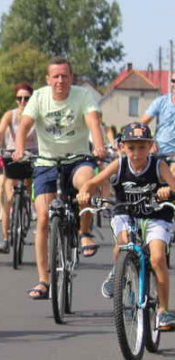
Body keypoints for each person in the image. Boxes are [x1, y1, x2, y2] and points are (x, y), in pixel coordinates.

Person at [14, 57, 107, 300]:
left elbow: (93, 122)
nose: (60, 81)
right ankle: (44, 280)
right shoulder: (40, 97)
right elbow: (24, 125)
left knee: (86, 183)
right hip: (46, 162)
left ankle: (84, 232)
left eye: (64, 76)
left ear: (71, 78)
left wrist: (98, 146)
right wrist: (19, 148)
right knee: (43, 219)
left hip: (78, 159)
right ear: (48, 79)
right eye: (55, 76)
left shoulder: (82, 96)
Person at [77, 122, 175, 324]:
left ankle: (163, 310)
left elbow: (174, 186)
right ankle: (118, 272)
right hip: (125, 211)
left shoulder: (159, 165)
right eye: (131, 148)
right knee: (122, 243)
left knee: (157, 258)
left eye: (142, 147)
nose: (136, 153)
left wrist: (167, 191)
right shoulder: (119, 164)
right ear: (122, 147)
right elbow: (93, 182)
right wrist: (85, 191)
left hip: (156, 215)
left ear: (150, 147)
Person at [0, 82, 39, 254]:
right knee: (7, 196)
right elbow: (0, 131)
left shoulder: (37, 115)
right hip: (12, 154)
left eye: (26, 98)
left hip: (32, 155)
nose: (23, 101)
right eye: (20, 98)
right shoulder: (10, 115)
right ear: (16, 100)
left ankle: (34, 216)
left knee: (33, 189)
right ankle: (5, 239)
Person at [140, 76, 175, 159]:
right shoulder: (161, 102)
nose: (174, 84)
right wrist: (149, 141)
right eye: (173, 81)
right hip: (160, 153)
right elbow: (141, 124)